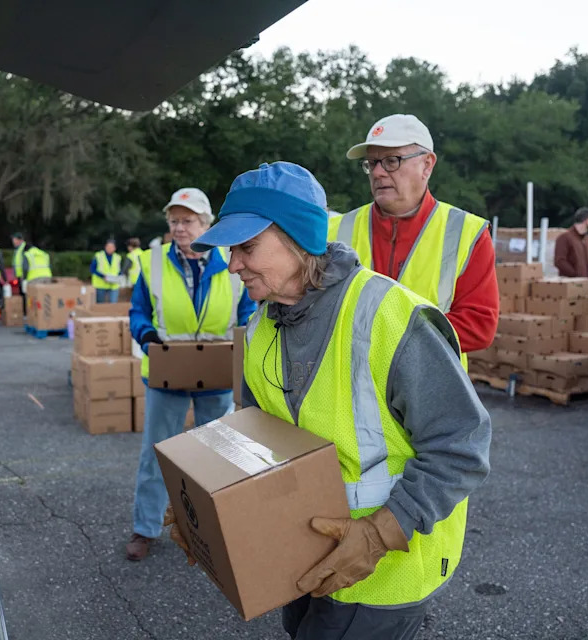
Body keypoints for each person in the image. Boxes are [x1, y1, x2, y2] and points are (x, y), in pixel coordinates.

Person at [180, 161, 491, 639]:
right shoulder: (264, 324)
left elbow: (462, 446)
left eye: (247, 246)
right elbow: (258, 435)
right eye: (229, 249)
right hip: (306, 553)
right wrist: (200, 500)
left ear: (299, 235)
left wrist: (379, 534)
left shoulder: (388, 315)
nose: (232, 263)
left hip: (387, 568)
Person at [125, 187, 256, 562]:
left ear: (206, 224)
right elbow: (138, 311)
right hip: (167, 374)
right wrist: (146, 335)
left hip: (215, 375)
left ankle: (213, 530)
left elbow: (248, 313)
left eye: (188, 221)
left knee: (214, 457)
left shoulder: (232, 265)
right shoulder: (152, 264)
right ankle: (145, 528)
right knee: (156, 454)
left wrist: (243, 342)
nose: (180, 228)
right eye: (174, 221)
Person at [330, 114, 498, 362]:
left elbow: (479, 325)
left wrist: (386, 334)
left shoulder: (467, 233)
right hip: (347, 395)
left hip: (429, 393)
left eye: (391, 161)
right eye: (372, 162)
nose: (377, 172)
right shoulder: (335, 230)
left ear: (427, 165)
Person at [554, 207, 588, 282]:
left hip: (587, 284)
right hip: (571, 284)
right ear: (587, 221)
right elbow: (560, 261)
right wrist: (576, 274)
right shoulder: (565, 238)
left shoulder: (587, 239)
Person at [91, 239, 122, 303]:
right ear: (105, 247)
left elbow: (119, 270)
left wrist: (119, 276)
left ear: (115, 248)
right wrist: (102, 276)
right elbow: (92, 269)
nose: (110, 248)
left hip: (114, 284)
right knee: (100, 304)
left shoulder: (118, 257)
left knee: (113, 304)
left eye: (111, 247)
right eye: (108, 247)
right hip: (101, 284)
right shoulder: (98, 255)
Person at [11, 232, 28, 311]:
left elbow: (25, 263)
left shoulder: (24, 248)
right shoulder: (18, 249)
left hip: (23, 275)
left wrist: (24, 275)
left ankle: (26, 311)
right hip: (19, 275)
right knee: (22, 293)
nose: (13, 242)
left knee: (25, 293)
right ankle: (24, 311)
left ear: (20, 240)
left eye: (14, 240)